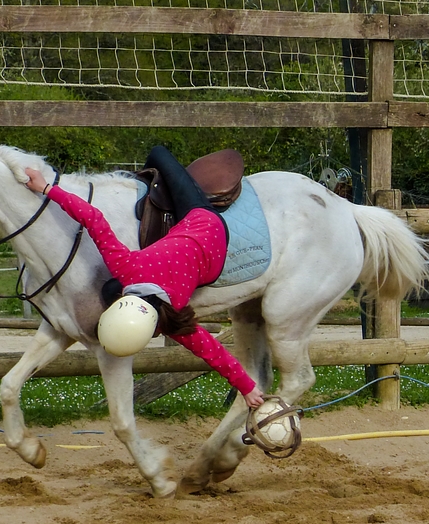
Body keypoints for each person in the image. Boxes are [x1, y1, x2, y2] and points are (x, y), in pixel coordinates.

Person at [24, 146, 264, 409]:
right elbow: (92, 217)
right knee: (158, 154)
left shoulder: (174, 313)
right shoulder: (126, 268)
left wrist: (247, 388)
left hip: (212, 247)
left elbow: (215, 354)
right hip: (202, 219)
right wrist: (46, 188)